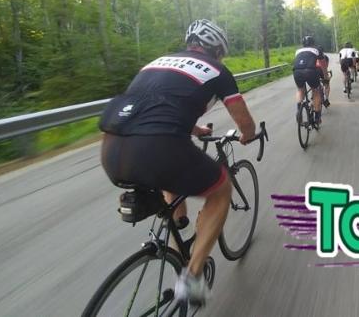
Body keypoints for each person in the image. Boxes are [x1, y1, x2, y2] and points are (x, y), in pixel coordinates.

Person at [98, 19, 256, 306]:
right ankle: (192, 278)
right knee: (220, 189)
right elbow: (241, 115)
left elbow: (153, 106)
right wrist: (248, 134)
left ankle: (177, 239)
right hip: (157, 148)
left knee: (168, 175)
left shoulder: (155, 64)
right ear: (217, 50)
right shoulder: (216, 70)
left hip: (112, 148)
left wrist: (195, 130)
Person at [293, 35, 323, 124]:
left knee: (300, 90)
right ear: (313, 43)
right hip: (311, 71)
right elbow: (323, 65)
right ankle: (317, 117)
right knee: (316, 91)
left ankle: (299, 108)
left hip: (297, 71)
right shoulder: (316, 50)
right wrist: (325, 76)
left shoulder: (298, 51)